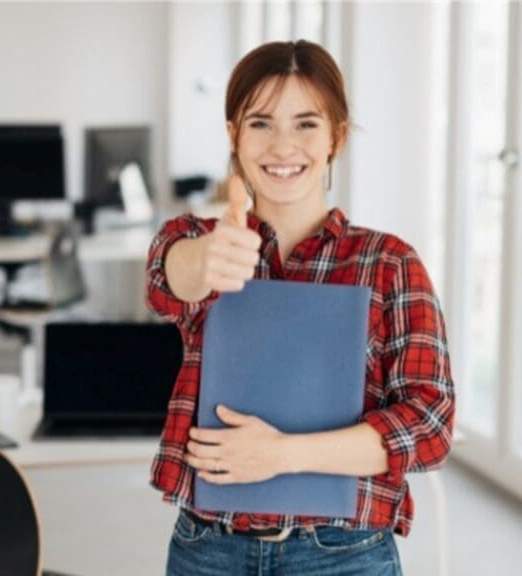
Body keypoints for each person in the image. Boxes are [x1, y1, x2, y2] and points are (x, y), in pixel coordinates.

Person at [146, 39, 455, 576]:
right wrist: (207, 259)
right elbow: (168, 277)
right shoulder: (200, 238)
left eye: (306, 124)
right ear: (233, 136)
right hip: (208, 549)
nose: (283, 146)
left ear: (336, 138)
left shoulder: (389, 263)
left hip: (343, 553)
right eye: (261, 123)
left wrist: (283, 454)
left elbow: (429, 424)